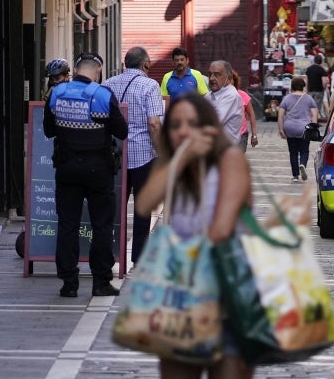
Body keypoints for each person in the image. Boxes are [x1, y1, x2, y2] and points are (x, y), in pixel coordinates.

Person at [134, 93, 254, 379]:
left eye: (191, 123)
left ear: (208, 126)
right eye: (175, 125)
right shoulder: (177, 166)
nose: (183, 131)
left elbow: (222, 229)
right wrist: (180, 159)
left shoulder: (230, 159)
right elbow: (144, 204)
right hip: (182, 299)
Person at [44, 52, 128, 298]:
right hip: (98, 170)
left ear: (76, 70)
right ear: (98, 71)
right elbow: (121, 132)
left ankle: (69, 283)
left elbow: (49, 130)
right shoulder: (103, 95)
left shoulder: (57, 94)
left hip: (67, 168)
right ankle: (101, 282)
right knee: (101, 225)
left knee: (67, 225)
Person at [102, 47, 163, 266]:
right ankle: (139, 256)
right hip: (142, 156)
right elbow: (154, 123)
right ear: (146, 64)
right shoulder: (150, 85)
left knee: (112, 206)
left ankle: (108, 255)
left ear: (125, 63)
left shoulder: (108, 84)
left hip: (113, 156)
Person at [278, 77, 318, 182]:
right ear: (303, 86)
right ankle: (303, 165)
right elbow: (314, 114)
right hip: (304, 128)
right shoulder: (309, 98)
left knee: (293, 152)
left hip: (290, 127)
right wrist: (313, 127)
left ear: (292, 86)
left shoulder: (286, 98)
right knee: (304, 150)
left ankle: (295, 176)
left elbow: (281, 115)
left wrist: (281, 129)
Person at [205, 60, 244, 145]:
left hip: (225, 153)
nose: (211, 78)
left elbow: (213, 122)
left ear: (229, 79)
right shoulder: (209, 96)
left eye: (217, 74)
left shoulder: (231, 96)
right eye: (210, 74)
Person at [231, 70, 258, 151]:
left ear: (234, 81)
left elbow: (251, 115)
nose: (228, 82)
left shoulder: (243, 95)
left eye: (230, 79)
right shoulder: (217, 96)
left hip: (241, 134)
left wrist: (254, 135)